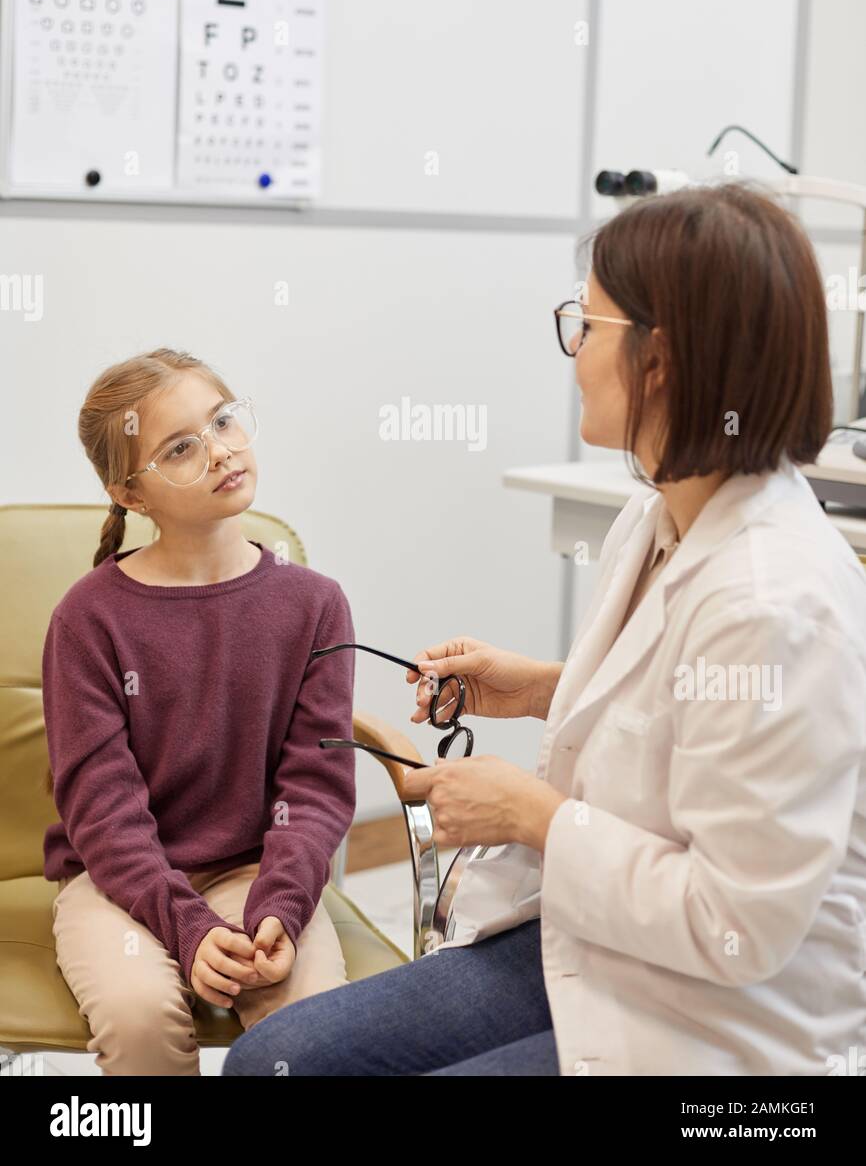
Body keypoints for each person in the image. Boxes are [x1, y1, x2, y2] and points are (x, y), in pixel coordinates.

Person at [222, 182, 866, 1077]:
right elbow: (694, 710)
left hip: (726, 1023)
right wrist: (539, 688)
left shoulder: (773, 599)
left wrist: (529, 815)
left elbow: (737, 926)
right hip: (604, 942)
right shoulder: (659, 517)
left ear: (661, 361)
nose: (572, 353)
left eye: (588, 327)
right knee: (273, 1063)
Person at [44, 348, 356, 1075]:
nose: (219, 451)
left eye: (222, 421)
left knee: (310, 1035)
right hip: (116, 880)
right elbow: (101, 809)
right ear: (130, 493)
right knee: (140, 1021)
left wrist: (280, 902)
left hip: (258, 867)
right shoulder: (88, 620)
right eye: (180, 447)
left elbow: (315, 785)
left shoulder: (314, 603)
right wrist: (185, 923)